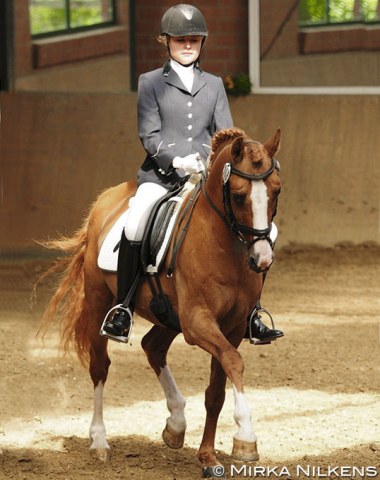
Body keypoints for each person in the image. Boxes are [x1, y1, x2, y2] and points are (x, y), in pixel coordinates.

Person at [100, 3, 283, 345]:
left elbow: (228, 136)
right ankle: (123, 308)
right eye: (181, 39)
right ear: (166, 41)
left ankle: (253, 312)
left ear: (202, 44)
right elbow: (149, 134)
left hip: (204, 179)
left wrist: (211, 161)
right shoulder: (151, 82)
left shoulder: (213, 85)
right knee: (136, 221)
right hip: (161, 177)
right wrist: (175, 159)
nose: (188, 45)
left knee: (266, 228)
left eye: (194, 40)